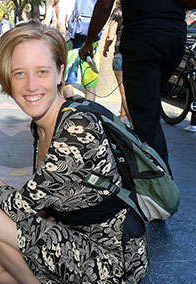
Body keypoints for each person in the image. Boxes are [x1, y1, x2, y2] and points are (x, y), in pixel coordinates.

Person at [0, 21, 148, 284]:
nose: (31, 85)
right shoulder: (43, 123)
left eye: (42, 71)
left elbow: (20, 205)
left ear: (61, 72)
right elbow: (47, 203)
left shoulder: (77, 128)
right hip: (81, 241)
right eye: (19, 73)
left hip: (115, 261)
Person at [78, 0, 187, 171]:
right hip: (174, 37)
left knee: (146, 118)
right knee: (149, 110)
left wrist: (88, 42)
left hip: (143, 38)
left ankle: (159, 185)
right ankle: (152, 177)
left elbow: (105, 5)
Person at [63, 0, 102, 101]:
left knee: (67, 80)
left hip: (74, 38)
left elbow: (61, 19)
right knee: (90, 84)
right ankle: (89, 112)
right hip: (93, 38)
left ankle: (72, 109)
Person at [102, 1, 132, 127]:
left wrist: (105, 48)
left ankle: (133, 123)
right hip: (134, 55)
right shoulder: (134, 11)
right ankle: (122, 117)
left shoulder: (117, 12)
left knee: (124, 91)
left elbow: (110, 36)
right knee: (127, 90)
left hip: (120, 55)